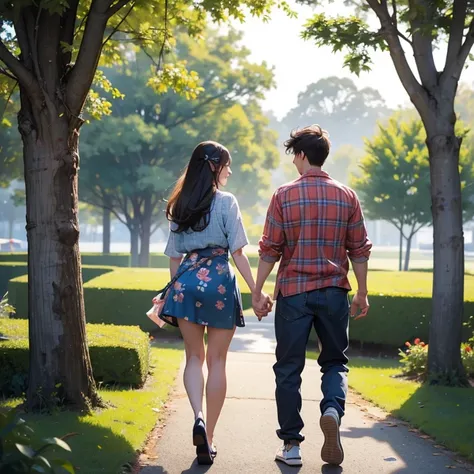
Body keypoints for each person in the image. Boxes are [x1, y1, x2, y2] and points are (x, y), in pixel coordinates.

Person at [252, 125, 372, 467]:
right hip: (334, 292)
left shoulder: (282, 196)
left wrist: (259, 290)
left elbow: (269, 249)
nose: (293, 161)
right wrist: (361, 292)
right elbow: (359, 250)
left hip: (294, 294)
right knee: (335, 362)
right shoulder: (347, 196)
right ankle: (332, 409)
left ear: (302, 155)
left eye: (294, 154)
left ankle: (291, 446)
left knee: (288, 369)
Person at [161, 140, 272, 465]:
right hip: (220, 282)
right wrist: (256, 290)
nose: (229, 171)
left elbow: (174, 256)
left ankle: (196, 415)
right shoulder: (227, 202)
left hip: (186, 283)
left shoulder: (179, 204)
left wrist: (172, 288)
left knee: (193, 357)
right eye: (226, 164)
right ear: (213, 166)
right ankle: (208, 437)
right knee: (217, 361)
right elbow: (237, 251)